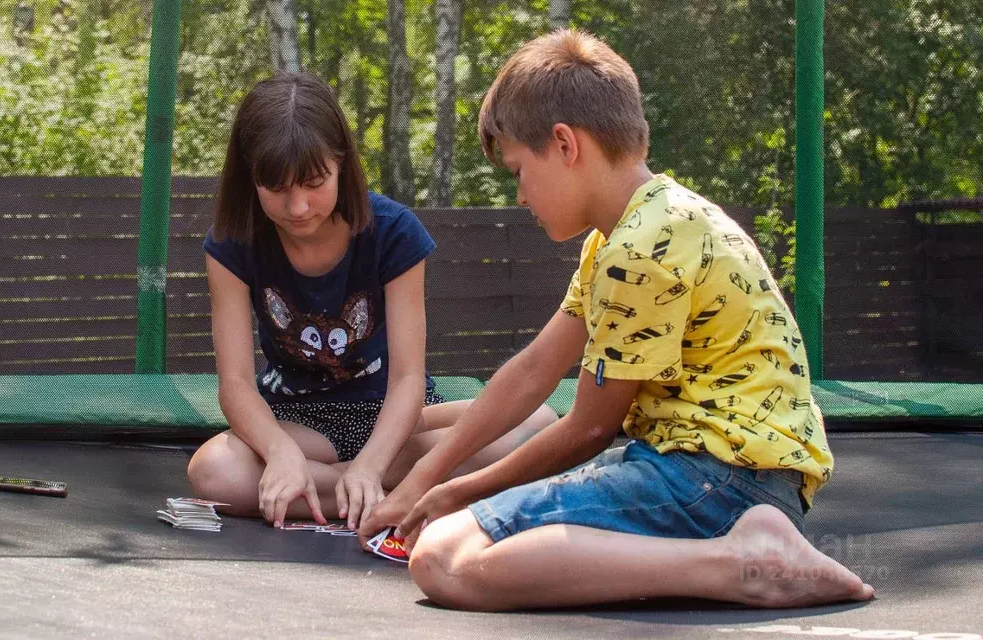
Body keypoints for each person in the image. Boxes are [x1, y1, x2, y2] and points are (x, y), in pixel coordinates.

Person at [358, 30, 875, 611]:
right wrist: (428, 472)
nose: (520, 196)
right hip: (736, 477)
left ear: (563, 145)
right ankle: (745, 546)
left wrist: (459, 491)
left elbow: (588, 428)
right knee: (475, 521)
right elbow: (533, 371)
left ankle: (739, 563)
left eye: (518, 170)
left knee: (445, 556)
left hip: (713, 483)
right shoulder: (641, 226)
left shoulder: (640, 250)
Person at [187, 72, 556, 531]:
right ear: (250, 178)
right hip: (298, 426)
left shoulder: (394, 232)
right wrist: (280, 454)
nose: (298, 207)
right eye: (278, 189)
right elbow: (236, 384)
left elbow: (406, 379)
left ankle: (346, 488)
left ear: (342, 163)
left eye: (314, 182)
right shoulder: (231, 243)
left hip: (395, 423)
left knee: (538, 422)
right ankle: (389, 495)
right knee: (213, 471)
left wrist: (370, 466)